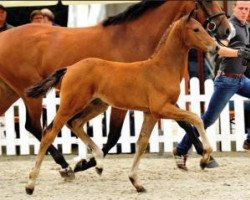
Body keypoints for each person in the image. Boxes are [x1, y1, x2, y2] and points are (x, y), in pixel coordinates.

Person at [173, 1, 250, 170]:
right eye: (241, 9)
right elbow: (218, 49)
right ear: (234, 9)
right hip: (226, 81)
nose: (244, 12)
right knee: (208, 119)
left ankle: (249, 139)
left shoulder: (246, 27)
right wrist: (238, 52)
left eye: (247, 9)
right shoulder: (231, 27)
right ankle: (181, 149)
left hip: (241, 79)